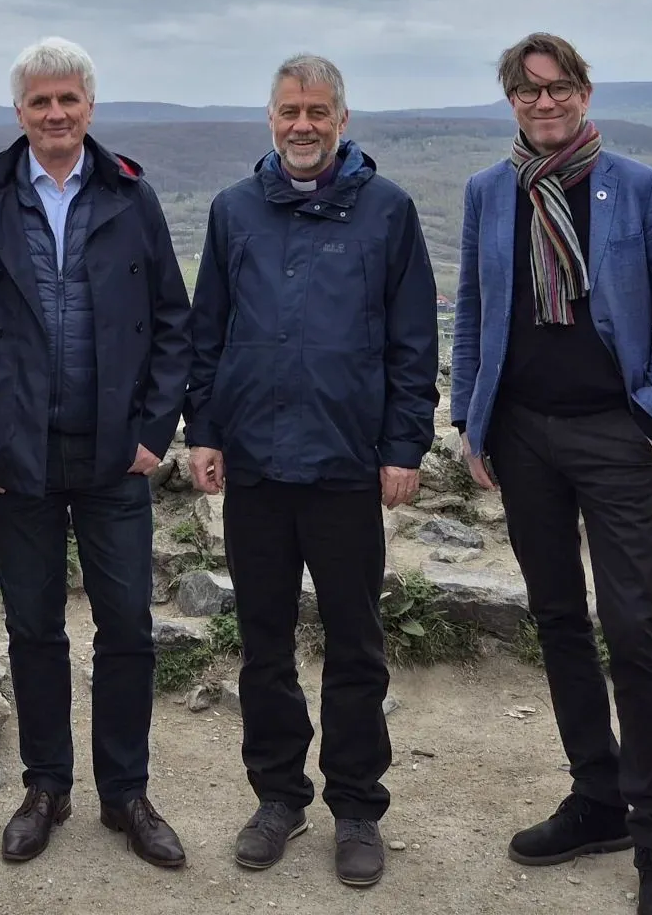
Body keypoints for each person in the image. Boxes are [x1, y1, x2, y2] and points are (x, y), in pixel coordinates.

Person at [450, 32, 652, 915]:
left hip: (610, 432)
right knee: (557, 619)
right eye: (527, 91)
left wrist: (647, 411)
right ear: (511, 101)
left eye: (558, 88)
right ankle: (597, 799)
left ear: (585, 93)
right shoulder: (489, 191)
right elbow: (474, 310)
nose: (544, 102)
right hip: (522, 435)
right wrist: (469, 417)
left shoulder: (637, 187)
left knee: (634, 631)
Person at [0, 37, 195, 870]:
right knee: (33, 629)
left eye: (68, 100)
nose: (55, 113)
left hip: (114, 450)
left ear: (90, 106)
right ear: (20, 111)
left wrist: (154, 430)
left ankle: (126, 794)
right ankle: (45, 788)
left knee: (127, 627)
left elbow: (172, 320)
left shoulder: (130, 195)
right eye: (40, 101)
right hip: (17, 454)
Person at [183, 53, 438, 890]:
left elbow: (413, 341)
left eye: (317, 112)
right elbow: (208, 330)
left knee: (355, 644)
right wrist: (204, 430)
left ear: (342, 120)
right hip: (256, 464)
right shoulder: (234, 211)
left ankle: (357, 808)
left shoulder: (388, 211)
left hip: (345, 463)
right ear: (270, 118)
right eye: (290, 111)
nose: (303, 125)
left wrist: (403, 445)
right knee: (263, 645)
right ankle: (278, 799)